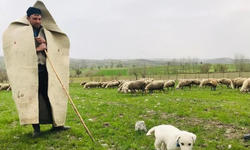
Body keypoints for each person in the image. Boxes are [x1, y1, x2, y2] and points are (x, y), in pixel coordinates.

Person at [3, 1, 71, 137]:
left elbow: (57, 47)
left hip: (45, 70)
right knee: (32, 98)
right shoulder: (19, 32)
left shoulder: (45, 31)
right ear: (28, 18)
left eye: (39, 18)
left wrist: (46, 43)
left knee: (50, 96)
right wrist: (36, 49)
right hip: (28, 73)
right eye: (35, 18)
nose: (38, 21)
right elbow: (16, 54)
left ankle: (57, 125)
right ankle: (36, 129)